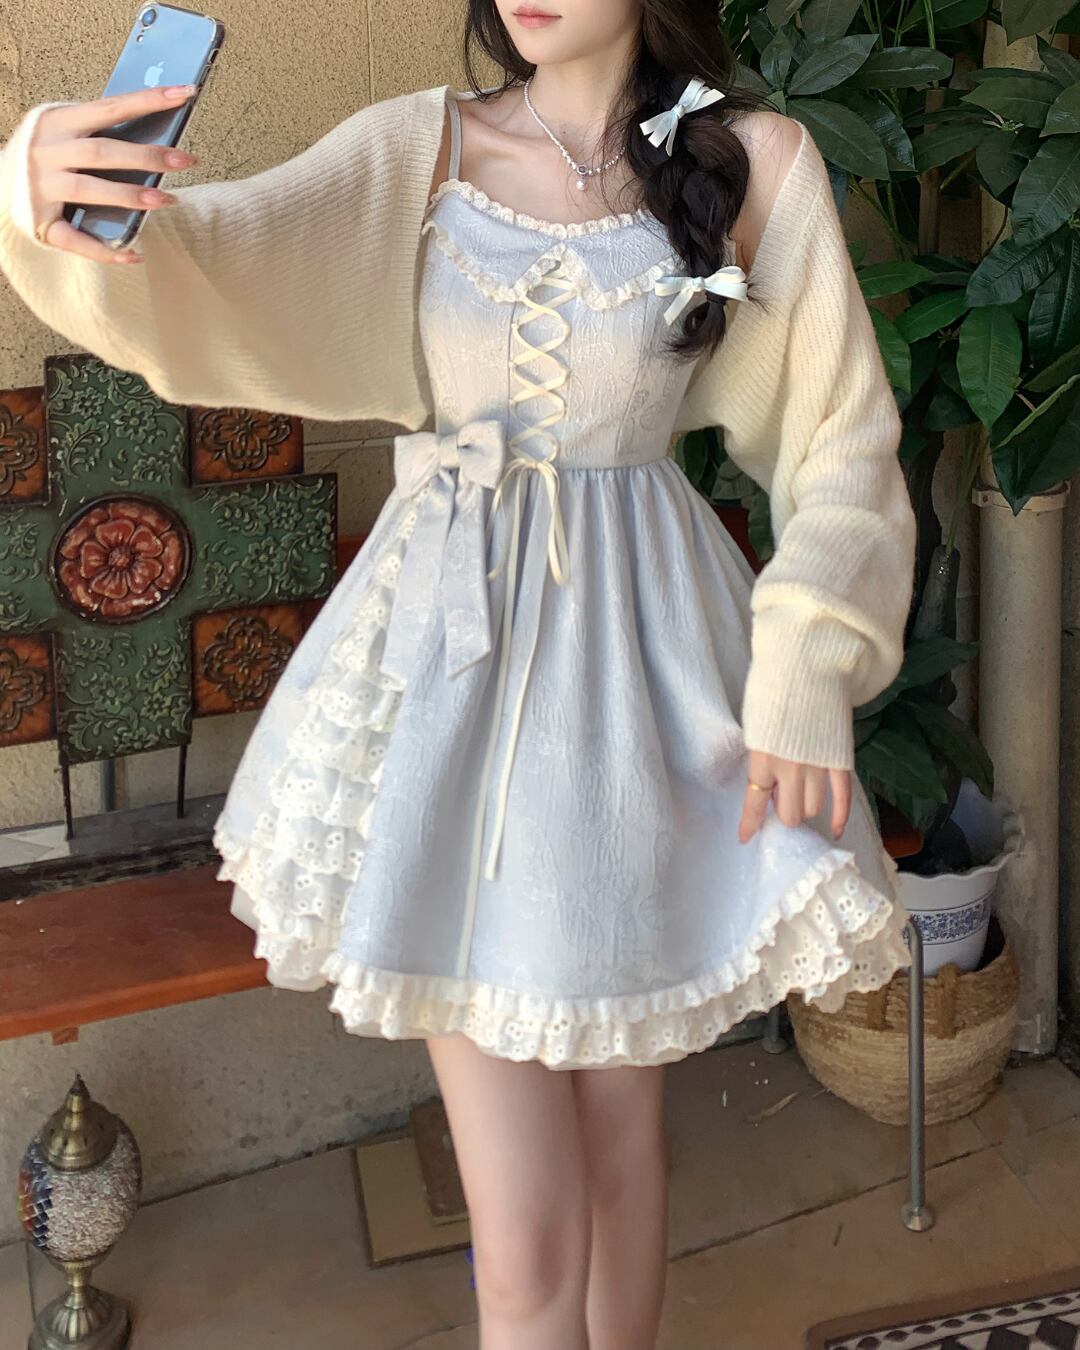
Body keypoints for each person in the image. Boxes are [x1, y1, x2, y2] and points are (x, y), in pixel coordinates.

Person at [0, 1, 918, 1345]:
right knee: (525, 1239)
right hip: (448, 693)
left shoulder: (752, 162)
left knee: (623, 1148)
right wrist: (37, 187)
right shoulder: (413, 154)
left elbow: (841, 441)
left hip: (641, 696)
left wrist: (807, 663)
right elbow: (199, 269)